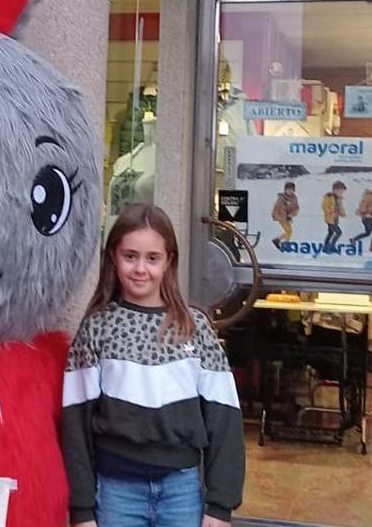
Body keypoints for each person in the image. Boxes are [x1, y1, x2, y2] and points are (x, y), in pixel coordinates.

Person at [61, 203, 245, 527]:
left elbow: (224, 418)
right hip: (116, 492)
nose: (140, 268)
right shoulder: (97, 327)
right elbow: (75, 424)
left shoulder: (194, 327)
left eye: (152, 258)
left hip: (182, 491)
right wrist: (82, 509)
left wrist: (220, 504)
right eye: (130, 256)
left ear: (168, 261)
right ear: (113, 259)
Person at [270, 181, 299, 250]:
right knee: (289, 231)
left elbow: (296, 208)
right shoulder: (281, 198)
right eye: (288, 189)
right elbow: (277, 208)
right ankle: (286, 245)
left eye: (291, 190)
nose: (290, 191)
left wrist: (291, 215)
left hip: (287, 217)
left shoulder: (294, 198)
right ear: (285, 190)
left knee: (289, 231)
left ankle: (277, 240)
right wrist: (280, 216)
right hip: (281, 216)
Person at [321, 181, 347, 253]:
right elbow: (324, 206)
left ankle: (326, 247)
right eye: (339, 191)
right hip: (330, 219)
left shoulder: (339, 199)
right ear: (335, 190)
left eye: (342, 191)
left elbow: (340, 208)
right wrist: (331, 212)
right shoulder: (329, 197)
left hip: (335, 219)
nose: (341, 193)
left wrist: (342, 213)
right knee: (338, 232)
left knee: (331, 233)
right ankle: (331, 246)